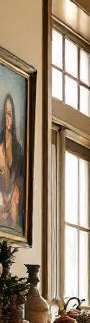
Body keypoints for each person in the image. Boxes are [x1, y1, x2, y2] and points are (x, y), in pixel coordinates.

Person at [0, 93, 24, 233]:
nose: (8, 118)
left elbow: (19, 179)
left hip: (12, 201)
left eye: (10, 114)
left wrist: (16, 193)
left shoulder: (18, 148)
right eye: (5, 114)